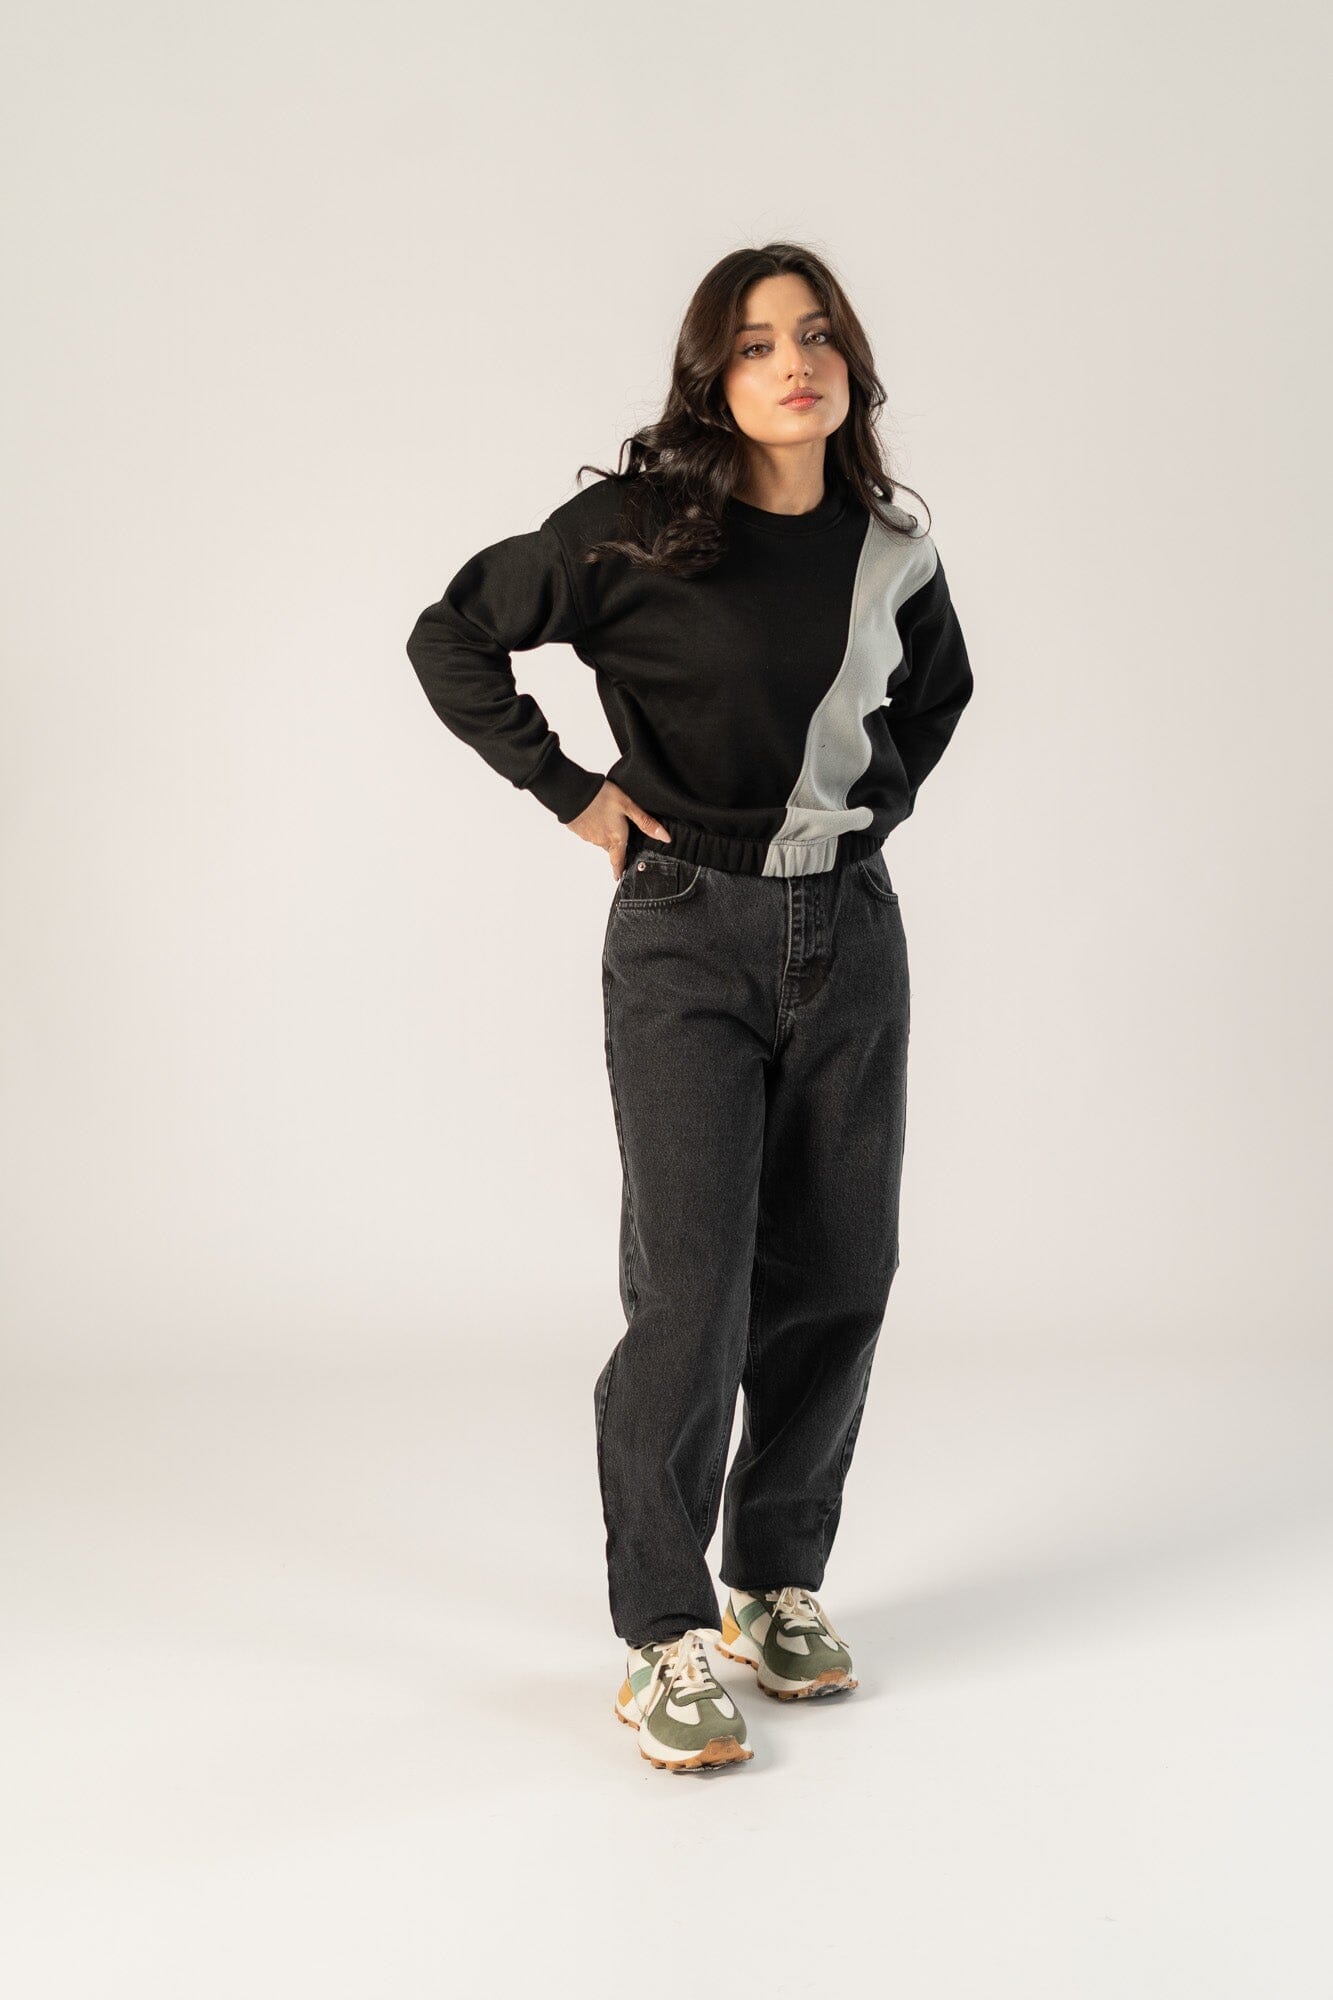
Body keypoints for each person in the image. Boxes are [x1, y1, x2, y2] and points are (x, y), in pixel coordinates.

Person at [405, 241, 974, 1775]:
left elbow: (933, 697)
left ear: (850, 363)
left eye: (815, 335)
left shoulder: (892, 547)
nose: (792, 363)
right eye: (754, 344)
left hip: (850, 933)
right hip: (682, 937)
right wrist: (571, 790)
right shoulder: (634, 532)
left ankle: (773, 1582)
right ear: (710, 379)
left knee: (840, 1266)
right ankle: (662, 1629)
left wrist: (858, 820)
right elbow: (450, 636)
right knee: (694, 1290)